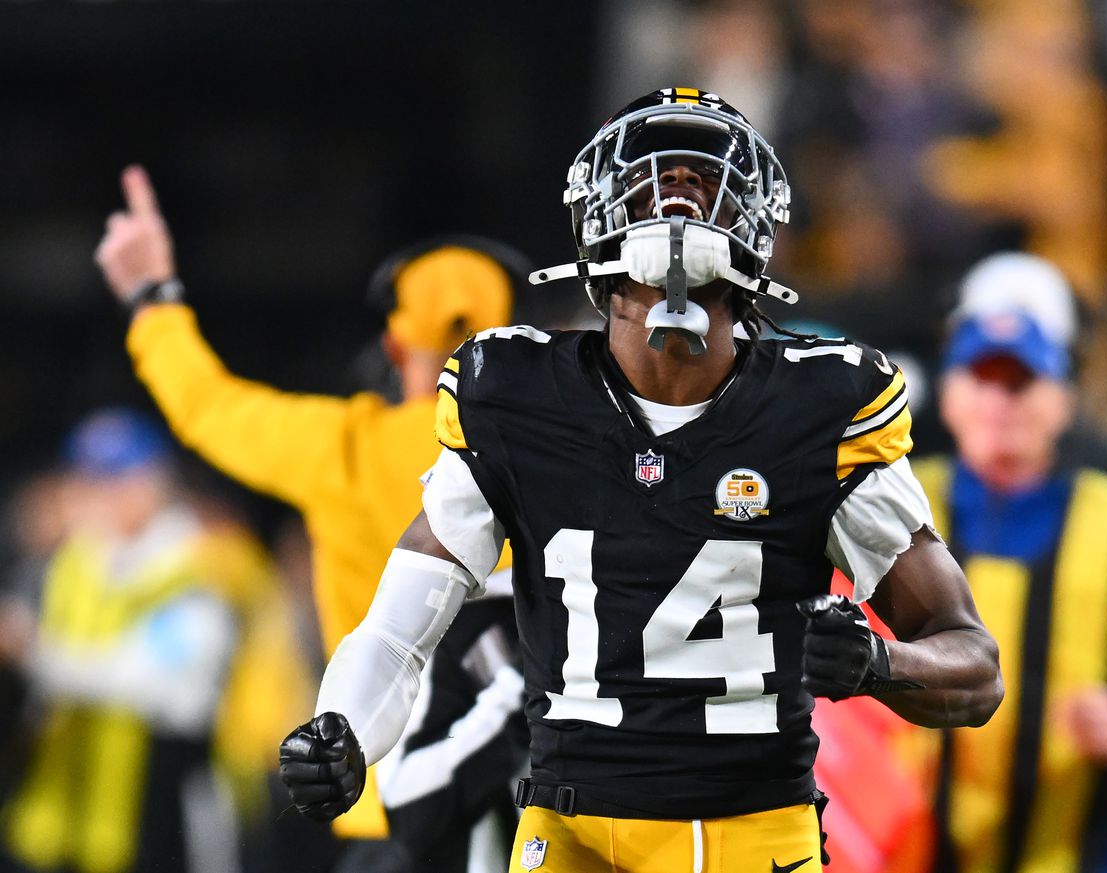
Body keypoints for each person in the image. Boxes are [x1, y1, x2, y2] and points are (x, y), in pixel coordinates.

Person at [278, 87, 1003, 873]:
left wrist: (879, 664)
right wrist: (340, 729)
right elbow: (396, 631)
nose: (679, 194)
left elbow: (974, 664)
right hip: (570, 830)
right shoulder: (513, 395)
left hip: (750, 831)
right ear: (598, 218)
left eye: (702, 177)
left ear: (754, 224)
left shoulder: (818, 408)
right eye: (654, 180)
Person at [93, 168, 528, 873]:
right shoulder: (561, 446)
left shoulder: (343, 446)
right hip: (534, 808)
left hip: (387, 793)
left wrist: (152, 296)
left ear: (392, 348)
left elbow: (204, 404)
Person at [886, 254, 1107, 873]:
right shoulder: (885, 510)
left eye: (1021, 380)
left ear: (1063, 401)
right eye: (981, 376)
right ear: (948, 395)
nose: (999, 401)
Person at [0, 410, 257, 873]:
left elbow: (151, 681)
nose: (94, 495)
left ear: (153, 480)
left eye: (112, 478)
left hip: (162, 813)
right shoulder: (75, 561)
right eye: (86, 477)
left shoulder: (200, 565)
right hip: (72, 823)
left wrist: (32, 650)